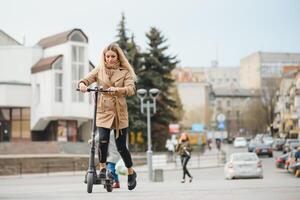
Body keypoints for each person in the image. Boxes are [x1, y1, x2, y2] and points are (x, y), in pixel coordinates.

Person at [79, 43, 137, 190]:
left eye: (113, 56)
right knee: (103, 140)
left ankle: (131, 172)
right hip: (103, 110)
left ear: (118, 57)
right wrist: (82, 84)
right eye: (108, 56)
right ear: (104, 57)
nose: (110, 59)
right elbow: (87, 79)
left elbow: (131, 89)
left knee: (121, 147)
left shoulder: (125, 72)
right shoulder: (100, 69)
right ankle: (103, 169)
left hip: (119, 113)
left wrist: (117, 89)